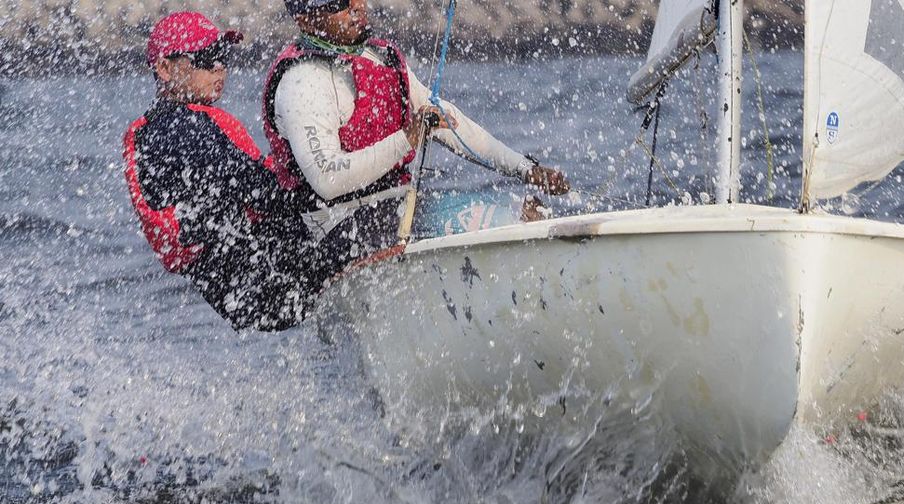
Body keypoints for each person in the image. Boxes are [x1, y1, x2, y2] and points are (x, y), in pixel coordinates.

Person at [262, 0, 571, 270]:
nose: (356, 6)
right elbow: (327, 180)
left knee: (528, 216)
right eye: (339, 3)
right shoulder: (300, 84)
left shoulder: (380, 58)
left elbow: (448, 122)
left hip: (395, 211)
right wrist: (407, 139)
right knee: (511, 225)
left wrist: (524, 168)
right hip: (340, 230)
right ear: (304, 18)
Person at [123, 12, 321, 332]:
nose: (219, 67)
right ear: (164, 67)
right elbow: (263, 192)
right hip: (260, 276)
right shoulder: (184, 128)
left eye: (223, 56)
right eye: (206, 58)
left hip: (230, 287)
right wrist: (322, 167)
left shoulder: (158, 128)